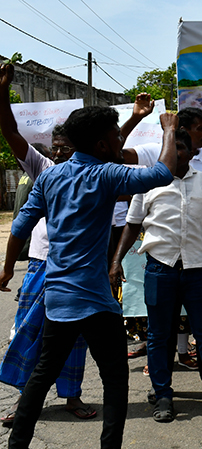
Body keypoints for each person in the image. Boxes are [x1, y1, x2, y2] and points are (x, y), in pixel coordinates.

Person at [0, 105, 178, 449]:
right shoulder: (105, 174)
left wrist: (6, 268)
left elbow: (19, 226)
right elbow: (163, 173)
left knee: (41, 375)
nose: (120, 140)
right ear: (101, 144)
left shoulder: (51, 176)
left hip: (57, 298)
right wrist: (168, 130)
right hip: (96, 301)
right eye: (116, 135)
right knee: (115, 383)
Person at [0, 63, 109, 425]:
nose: (60, 153)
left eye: (66, 148)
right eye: (56, 148)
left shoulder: (94, 172)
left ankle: (71, 396)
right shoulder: (43, 169)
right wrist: (2, 93)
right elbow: (9, 131)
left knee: (74, 339)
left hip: (77, 271)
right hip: (40, 266)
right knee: (30, 333)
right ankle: (24, 399)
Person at [110, 127, 202, 423]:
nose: (171, 152)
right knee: (159, 336)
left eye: (178, 146)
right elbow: (132, 223)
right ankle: (163, 395)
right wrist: (116, 261)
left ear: (190, 152)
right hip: (160, 270)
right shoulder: (147, 183)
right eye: (168, 146)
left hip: (196, 270)